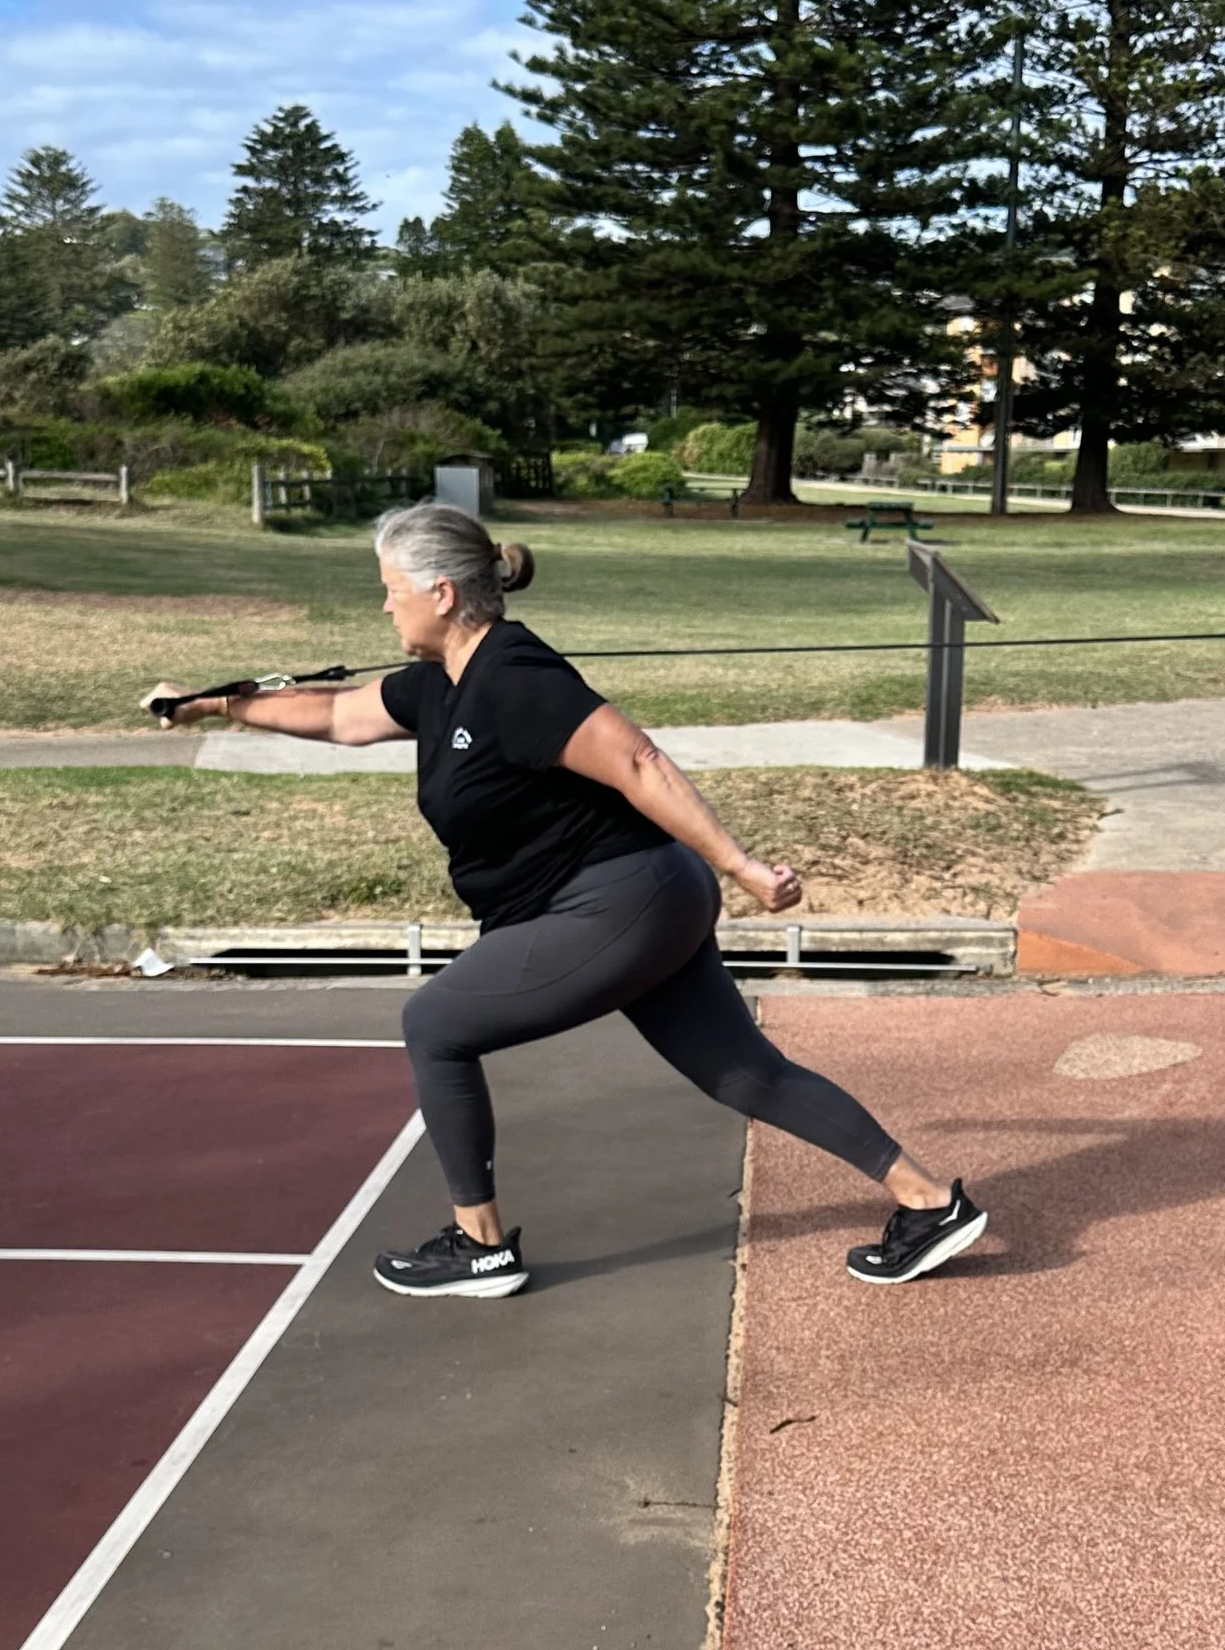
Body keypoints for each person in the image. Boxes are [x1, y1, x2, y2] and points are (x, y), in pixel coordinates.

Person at [148, 504, 988, 1299]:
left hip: (620, 900)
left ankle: (480, 1247)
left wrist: (745, 867)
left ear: (442, 593)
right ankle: (929, 1204)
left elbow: (638, 762)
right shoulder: (439, 684)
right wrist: (216, 705)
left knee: (435, 1024)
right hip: (643, 896)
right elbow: (335, 714)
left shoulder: (514, 675)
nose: (384, 604)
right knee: (742, 1070)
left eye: (391, 588)